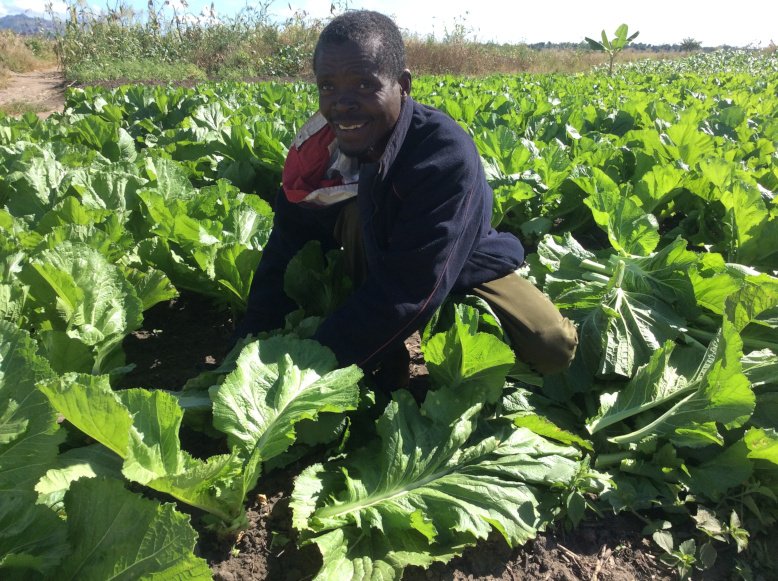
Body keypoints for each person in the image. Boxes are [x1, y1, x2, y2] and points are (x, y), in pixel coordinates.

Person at [234, 10, 578, 387]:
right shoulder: (317, 154)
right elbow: (283, 253)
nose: (342, 103)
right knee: (352, 226)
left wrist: (310, 371)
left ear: (403, 85)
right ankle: (381, 357)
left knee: (551, 344)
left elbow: (411, 291)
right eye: (327, 87)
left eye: (364, 85)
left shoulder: (443, 152)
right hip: (368, 255)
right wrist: (247, 348)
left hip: (454, 258)